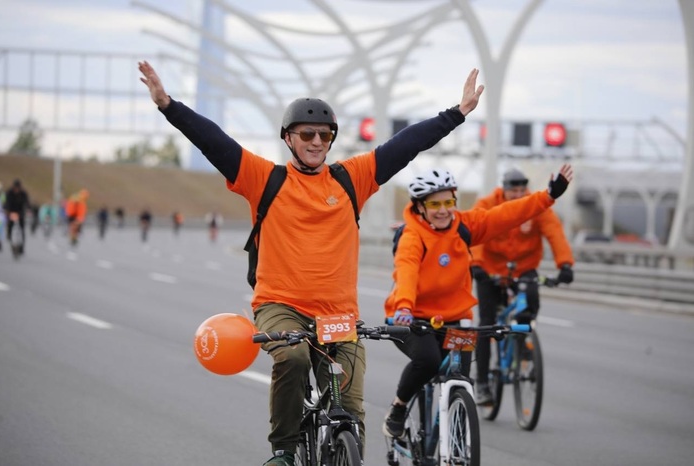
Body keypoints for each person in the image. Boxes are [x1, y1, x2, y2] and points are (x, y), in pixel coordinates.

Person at [139, 59, 483, 466]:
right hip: (281, 305)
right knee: (294, 357)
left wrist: (457, 114)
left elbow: (405, 145)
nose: (317, 141)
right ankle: (284, 451)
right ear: (289, 138)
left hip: (339, 314)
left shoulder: (351, 179)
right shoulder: (264, 179)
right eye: (307, 134)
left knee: (350, 411)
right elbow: (214, 141)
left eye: (325, 134)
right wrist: (168, 105)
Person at [381, 165, 573, 437]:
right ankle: (398, 407)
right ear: (420, 206)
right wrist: (404, 306)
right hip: (412, 318)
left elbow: (508, 214)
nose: (443, 210)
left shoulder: (464, 226)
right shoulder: (412, 236)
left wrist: (549, 195)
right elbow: (407, 270)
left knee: (461, 379)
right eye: (434, 204)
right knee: (428, 361)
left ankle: (456, 442)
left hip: (456, 318)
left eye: (449, 202)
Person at [470, 167, 575, 406]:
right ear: (503, 190)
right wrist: (475, 264)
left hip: (524, 267)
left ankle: (523, 342)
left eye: (521, 191)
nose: (518, 195)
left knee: (531, 300)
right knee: (486, 323)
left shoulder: (535, 205)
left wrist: (565, 264)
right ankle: (483, 383)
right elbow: (475, 230)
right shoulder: (487, 204)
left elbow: (554, 233)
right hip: (490, 269)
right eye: (513, 191)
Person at [3, 179, 30, 254]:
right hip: (12, 212)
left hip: (20, 213)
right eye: (15, 188)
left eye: (18, 188)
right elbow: (6, 203)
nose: (16, 189)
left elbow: (27, 203)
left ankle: (21, 246)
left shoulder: (23, 194)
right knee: (10, 226)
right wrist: (7, 210)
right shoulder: (9, 193)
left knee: (22, 229)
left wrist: (27, 210)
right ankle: (9, 237)